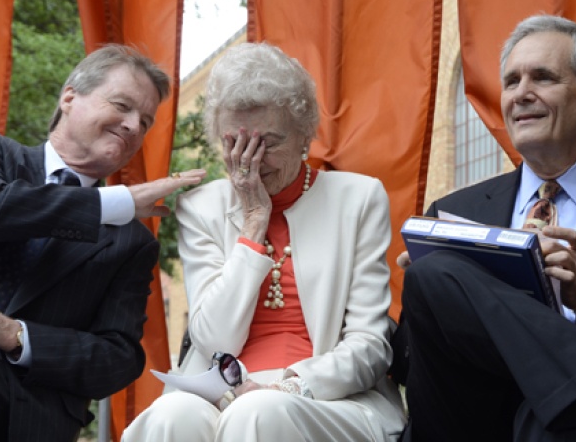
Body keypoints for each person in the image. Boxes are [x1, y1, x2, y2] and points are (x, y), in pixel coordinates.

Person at [122, 42, 407, 441]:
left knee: (257, 411)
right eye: (233, 144)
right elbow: (214, 340)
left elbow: (369, 344)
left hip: (328, 398)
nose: (250, 162)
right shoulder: (201, 207)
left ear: (305, 134)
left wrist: (290, 386)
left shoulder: (358, 198)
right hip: (217, 394)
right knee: (171, 416)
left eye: (268, 143)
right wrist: (254, 224)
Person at [0, 44, 207, 441]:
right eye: (122, 105)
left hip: (25, 411)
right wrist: (118, 202)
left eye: (145, 121)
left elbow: (119, 358)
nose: (133, 126)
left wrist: (12, 334)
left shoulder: (132, 242)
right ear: (70, 97)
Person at [396, 14, 576, 441]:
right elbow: (407, 366)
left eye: (542, 78)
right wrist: (432, 300)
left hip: (571, 431)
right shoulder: (451, 213)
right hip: (470, 420)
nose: (521, 94)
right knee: (432, 273)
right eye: (511, 82)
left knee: (549, 422)